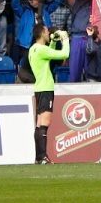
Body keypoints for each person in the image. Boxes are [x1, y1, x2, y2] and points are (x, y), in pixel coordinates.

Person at [28, 24, 68, 164]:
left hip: (39, 88)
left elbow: (48, 56)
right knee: (44, 124)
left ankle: (38, 157)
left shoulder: (33, 49)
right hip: (46, 88)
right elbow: (64, 54)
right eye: (46, 31)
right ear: (42, 33)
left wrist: (53, 42)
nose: (48, 33)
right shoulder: (40, 50)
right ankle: (43, 156)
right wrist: (65, 39)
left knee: (39, 124)